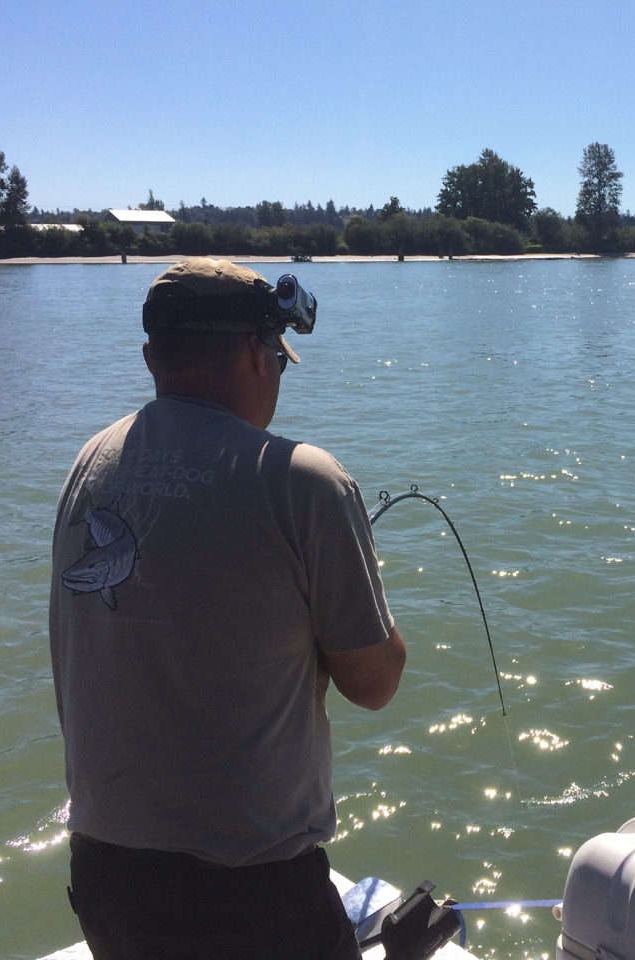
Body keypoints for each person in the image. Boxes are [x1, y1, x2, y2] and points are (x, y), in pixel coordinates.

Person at [49, 257, 406, 959]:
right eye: (279, 356)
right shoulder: (306, 481)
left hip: (106, 882)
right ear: (255, 352)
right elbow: (375, 683)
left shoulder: (89, 463)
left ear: (152, 355)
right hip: (251, 900)